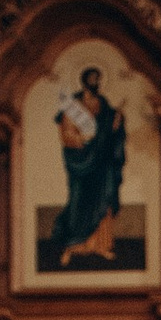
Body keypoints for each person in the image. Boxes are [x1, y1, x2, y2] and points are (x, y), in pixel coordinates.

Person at [50, 66, 126, 265]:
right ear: (85, 81)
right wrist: (81, 139)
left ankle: (100, 246)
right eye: (92, 79)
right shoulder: (73, 105)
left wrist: (117, 120)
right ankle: (72, 246)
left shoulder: (102, 103)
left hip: (101, 162)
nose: (96, 83)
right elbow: (66, 132)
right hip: (80, 161)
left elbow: (109, 130)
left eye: (98, 79)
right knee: (78, 202)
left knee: (102, 200)